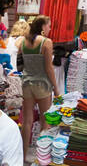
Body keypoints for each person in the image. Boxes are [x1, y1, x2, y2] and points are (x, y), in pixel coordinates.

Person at [19, 15, 58, 147]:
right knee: (45, 121)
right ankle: (41, 158)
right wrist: (56, 89)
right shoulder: (46, 42)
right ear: (42, 27)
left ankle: (22, 156)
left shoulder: (23, 41)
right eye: (49, 25)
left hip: (26, 84)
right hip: (42, 84)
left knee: (27, 122)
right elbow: (49, 68)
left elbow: (20, 63)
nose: (50, 28)